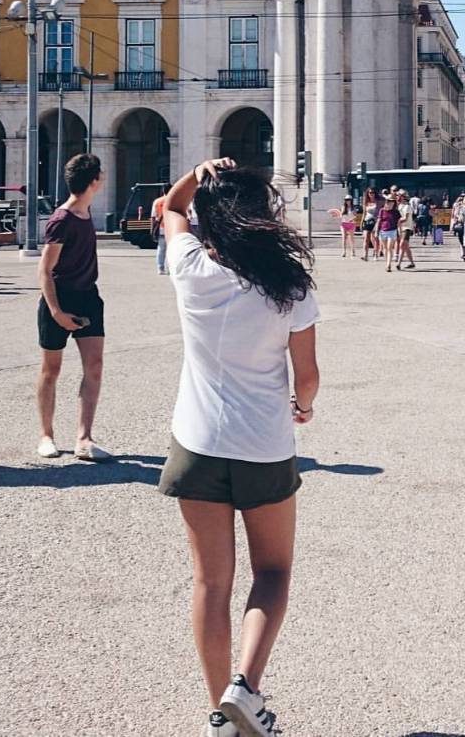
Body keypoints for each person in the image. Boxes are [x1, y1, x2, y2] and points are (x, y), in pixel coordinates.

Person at [157, 158, 320, 737]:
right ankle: (245, 690)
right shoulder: (289, 284)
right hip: (263, 444)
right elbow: (307, 376)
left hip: (197, 443)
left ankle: (218, 716)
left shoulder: (190, 266)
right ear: (263, 213)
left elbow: (170, 209)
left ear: (210, 216)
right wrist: (304, 406)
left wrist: (199, 177)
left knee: (210, 583)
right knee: (272, 570)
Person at [35, 153, 111, 462]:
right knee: (51, 369)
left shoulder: (85, 211)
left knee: (94, 366)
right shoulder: (62, 219)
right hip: (59, 298)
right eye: (101, 175)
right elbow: (44, 270)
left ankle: (84, 438)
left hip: (88, 297)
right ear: (93, 182)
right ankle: (46, 436)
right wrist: (56, 312)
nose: (103, 179)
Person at [377, 193, 400, 272]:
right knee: (385, 248)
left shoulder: (396, 212)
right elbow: (379, 221)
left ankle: (388, 264)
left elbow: (399, 222)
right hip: (383, 230)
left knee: (389, 248)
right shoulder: (382, 210)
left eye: (392, 201)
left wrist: (399, 231)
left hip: (392, 230)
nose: (391, 202)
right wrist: (377, 231)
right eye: (389, 201)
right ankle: (387, 261)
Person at [151, 187, 170, 275]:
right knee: (171, 249)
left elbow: (153, 216)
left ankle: (160, 268)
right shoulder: (173, 200)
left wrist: (153, 228)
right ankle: (170, 268)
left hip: (161, 227)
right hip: (171, 228)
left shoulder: (157, 201)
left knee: (161, 248)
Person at [396, 189, 416, 270]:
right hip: (400, 228)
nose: (397, 197)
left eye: (399, 195)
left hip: (406, 227)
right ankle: (412, 263)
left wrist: (398, 221)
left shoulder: (408, 207)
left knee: (402, 244)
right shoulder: (399, 206)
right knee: (406, 246)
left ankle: (398, 263)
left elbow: (405, 218)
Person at [360, 186, 380, 261]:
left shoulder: (378, 201)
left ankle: (376, 254)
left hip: (375, 220)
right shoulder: (366, 202)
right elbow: (364, 213)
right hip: (367, 220)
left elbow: (379, 212)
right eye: (370, 192)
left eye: (373, 192)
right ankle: (365, 255)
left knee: (374, 238)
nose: (371, 194)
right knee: (366, 238)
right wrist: (362, 222)